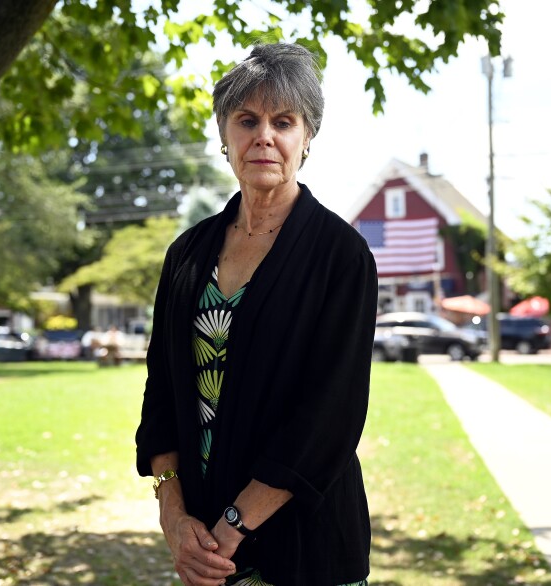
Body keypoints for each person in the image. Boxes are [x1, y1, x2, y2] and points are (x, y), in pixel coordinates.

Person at [135, 42, 377, 586]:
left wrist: (233, 526)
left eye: (283, 121)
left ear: (306, 138)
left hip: (306, 549)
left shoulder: (340, 255)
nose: (264, 136)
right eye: (247, 120)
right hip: (204, 549)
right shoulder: (187, 255)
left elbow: (329, 416)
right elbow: (162, 395)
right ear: (225, 136)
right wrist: (173, 516)